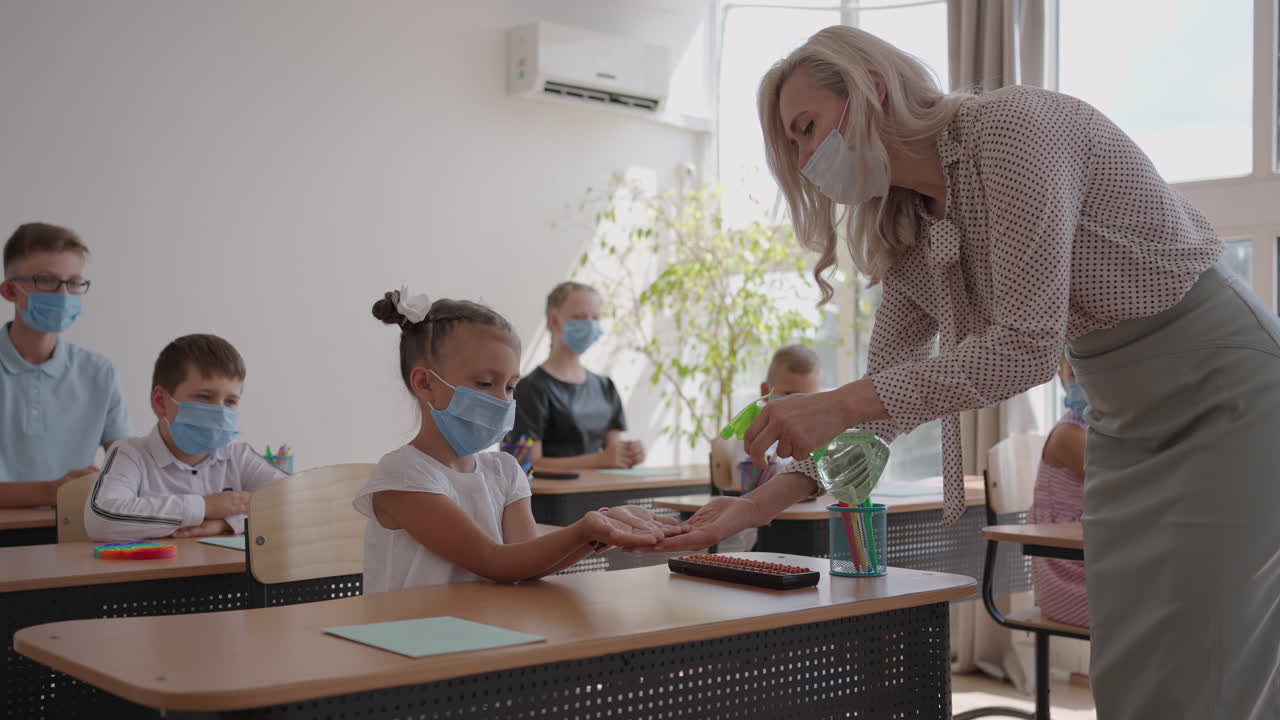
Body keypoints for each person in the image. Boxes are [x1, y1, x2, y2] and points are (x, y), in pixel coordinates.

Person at [650, 25, 1279, 719]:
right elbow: (880, 407)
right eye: (792, 147)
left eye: (807, 129)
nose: (805, 161)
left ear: (870, 89)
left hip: (1225, 392)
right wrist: (753, 507)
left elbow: (1028, 345)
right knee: (1130, 665)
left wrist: (843, 402)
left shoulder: (1011, 131)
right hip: (1123, 422)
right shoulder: (908, 226)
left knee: (1206, 658)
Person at [355, 288, 677, 592]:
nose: (503, 400)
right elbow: (494, 561)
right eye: (485, 383)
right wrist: (585, 530)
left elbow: (526, 563)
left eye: (510, 387)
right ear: (425, 383)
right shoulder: (404, 475)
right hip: (412, 630)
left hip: (482, 626)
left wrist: (596, 532)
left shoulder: (505, 471)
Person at [84, 334, 283, 542]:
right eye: (204, 397)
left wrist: (228, 523)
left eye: (230, 401)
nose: (220, 412)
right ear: (161, 402)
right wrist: (205, 507)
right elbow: (101, 519)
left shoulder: (238, 456)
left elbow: (296, 502)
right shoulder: (130, 453)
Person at [0, 222, 129, 506]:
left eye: (73, 283)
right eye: (46, 281)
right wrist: (50, 492)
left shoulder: (100, 373)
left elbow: (128, 471)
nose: (63, 295)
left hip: (72, 526)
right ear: (10, 290)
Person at [511, 281, 643, 472]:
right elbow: (525, 464)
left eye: (595, 318)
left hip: (603, 489)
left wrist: (629, 454)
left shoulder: (605, 387)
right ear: (554, 321)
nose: (589, 325)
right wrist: (599, 460)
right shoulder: (529, 389)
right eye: (579, 317)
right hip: (552, 492)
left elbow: (613, 454)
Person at [1028, 356, 1089, 627]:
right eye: (1074, 374)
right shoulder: (1069, 434)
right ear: (1060, 377)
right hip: (1068, 570)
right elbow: (1126, 486)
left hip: (1090, 555)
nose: (1084, 382)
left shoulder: (1104, 430)